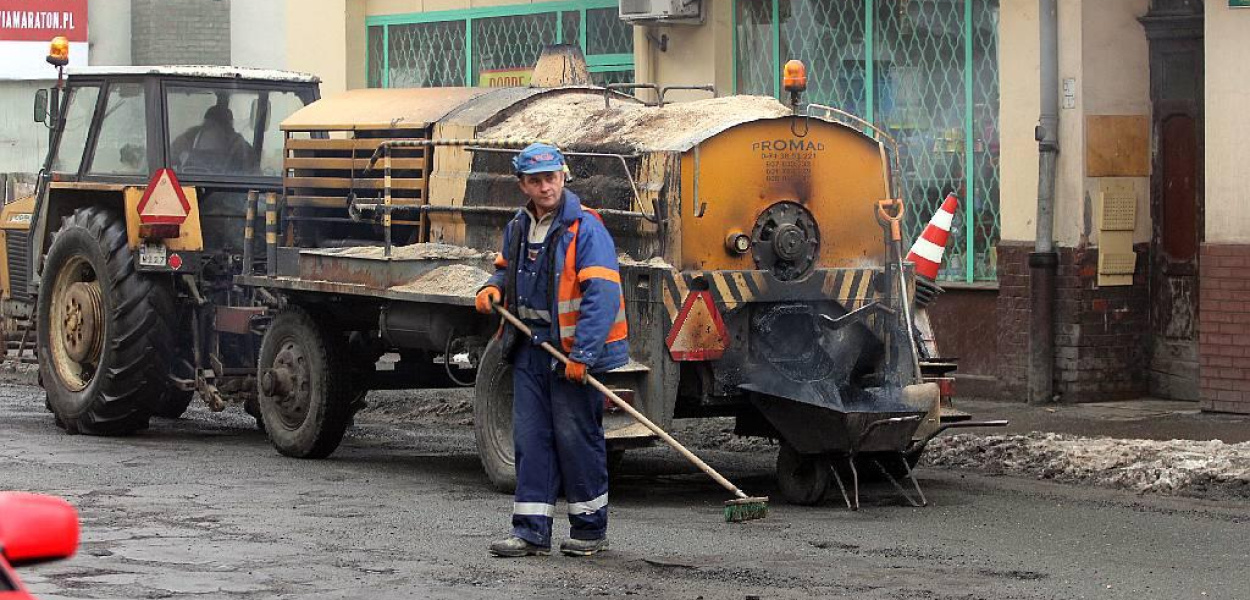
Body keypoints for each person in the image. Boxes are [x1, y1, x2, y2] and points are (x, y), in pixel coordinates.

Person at [474, 143, 629, 558]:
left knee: (577, 440)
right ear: (523, 184)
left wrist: (583, 355)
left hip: (571, 354)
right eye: (536, 180)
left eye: (552, 178)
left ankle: (590, 531)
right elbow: (506, 270)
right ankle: (530, 532)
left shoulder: (586, 229)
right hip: (529, 347)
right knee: (531, 440)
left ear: (564, 176)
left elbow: (602, 295)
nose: (546, 187)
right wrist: (491, 287)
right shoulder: (519, 227)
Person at [170, 104, 256, 173]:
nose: (211, 131)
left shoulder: (240, 146)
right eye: (209, 125)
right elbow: (168, 160)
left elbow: (253, 175)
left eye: (214, 125)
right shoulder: (188, 138)